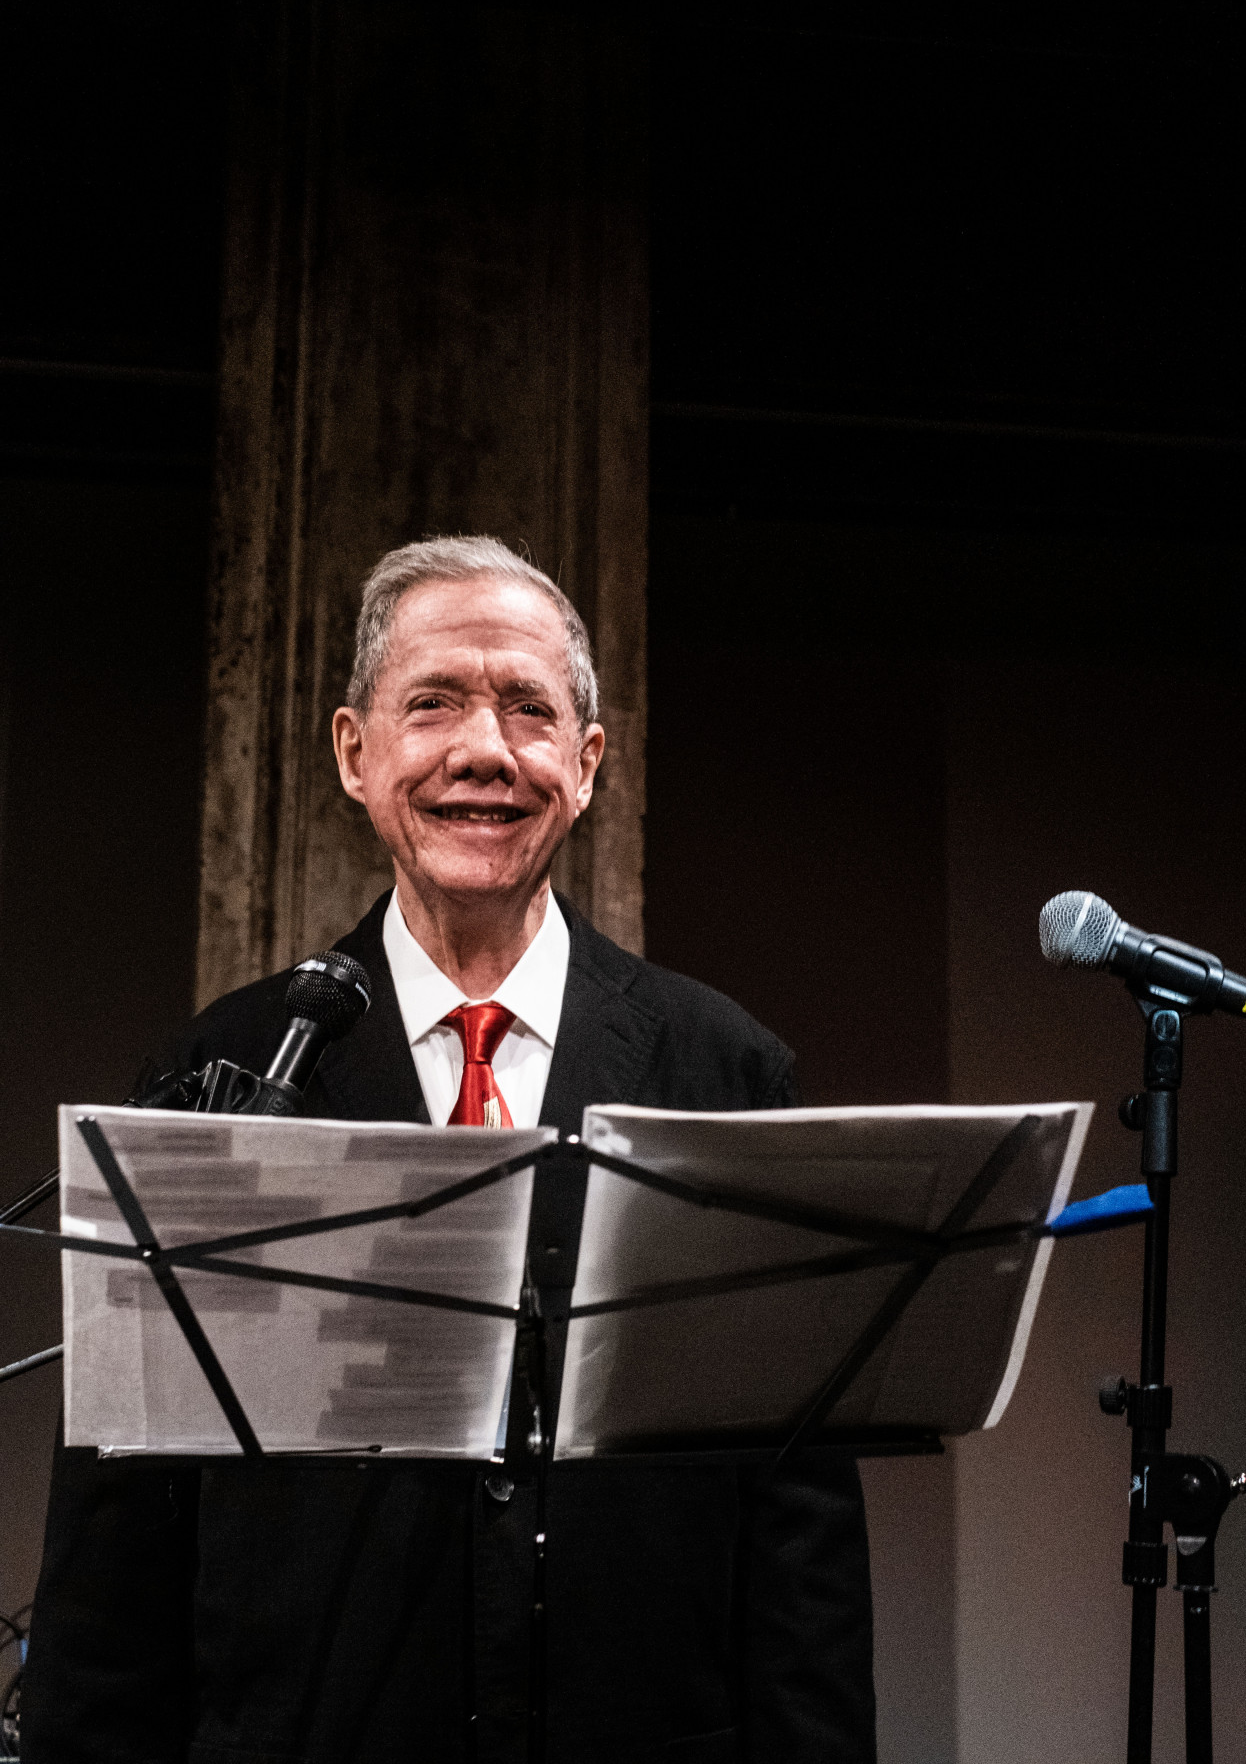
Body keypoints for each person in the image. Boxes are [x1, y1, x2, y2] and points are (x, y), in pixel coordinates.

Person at [22, 536, 875, 1763]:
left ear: (585, 768)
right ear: (353, 754)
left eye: (529, 710)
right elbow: (117, 1546)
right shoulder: (216, 1073)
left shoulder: (726, 1070)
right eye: (434, 705)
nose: (485, 749)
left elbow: (802, 1542)